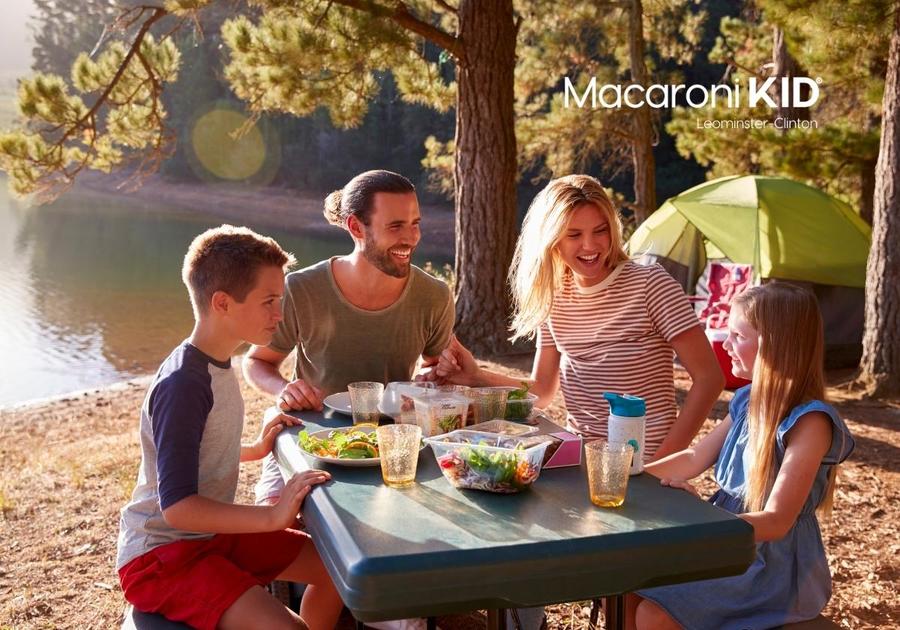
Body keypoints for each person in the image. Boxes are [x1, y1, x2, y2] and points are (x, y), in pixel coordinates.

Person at [115, 225, 343, 630]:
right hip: (161, 557)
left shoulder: (217, 361)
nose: (279, 314)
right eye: (269, 302)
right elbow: (179, 507)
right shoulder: (184, 384)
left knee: (338, 570)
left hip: (206, 538)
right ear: (222, 302)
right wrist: (273, 515)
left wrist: (254, 449)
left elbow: (190, 449)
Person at [437, 174, 724, 460]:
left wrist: (663, 464)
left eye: (600, 231)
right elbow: (543, 391)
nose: (590, 245)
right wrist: (475, 376)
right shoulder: (553, 294)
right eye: (574, 235)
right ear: (551, 241)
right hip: (581, 462)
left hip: (645, 463)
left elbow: (709, 379)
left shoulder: (650, 285)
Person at [631, 283, 855, 630]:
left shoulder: (811, 422)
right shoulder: (748, 399)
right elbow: (693, 458)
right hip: (728, 544)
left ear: (773, 344)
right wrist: (628, 476)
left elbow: (777, 521)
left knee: (653, 614)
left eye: (737, 334)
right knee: (624, 582)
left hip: (770, 568)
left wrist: (703, 522)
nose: (724, 343)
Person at [244, 169, 454, 504]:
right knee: (274, 520)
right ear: (356, 227)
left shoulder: (434, 295)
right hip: (309, 437)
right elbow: (257, 362)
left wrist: (435, 376)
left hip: (391, 444)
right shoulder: (300, 288)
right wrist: (285, 388)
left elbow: (435, 367)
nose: (412, 237)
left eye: (415, 223)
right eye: (396, 226)